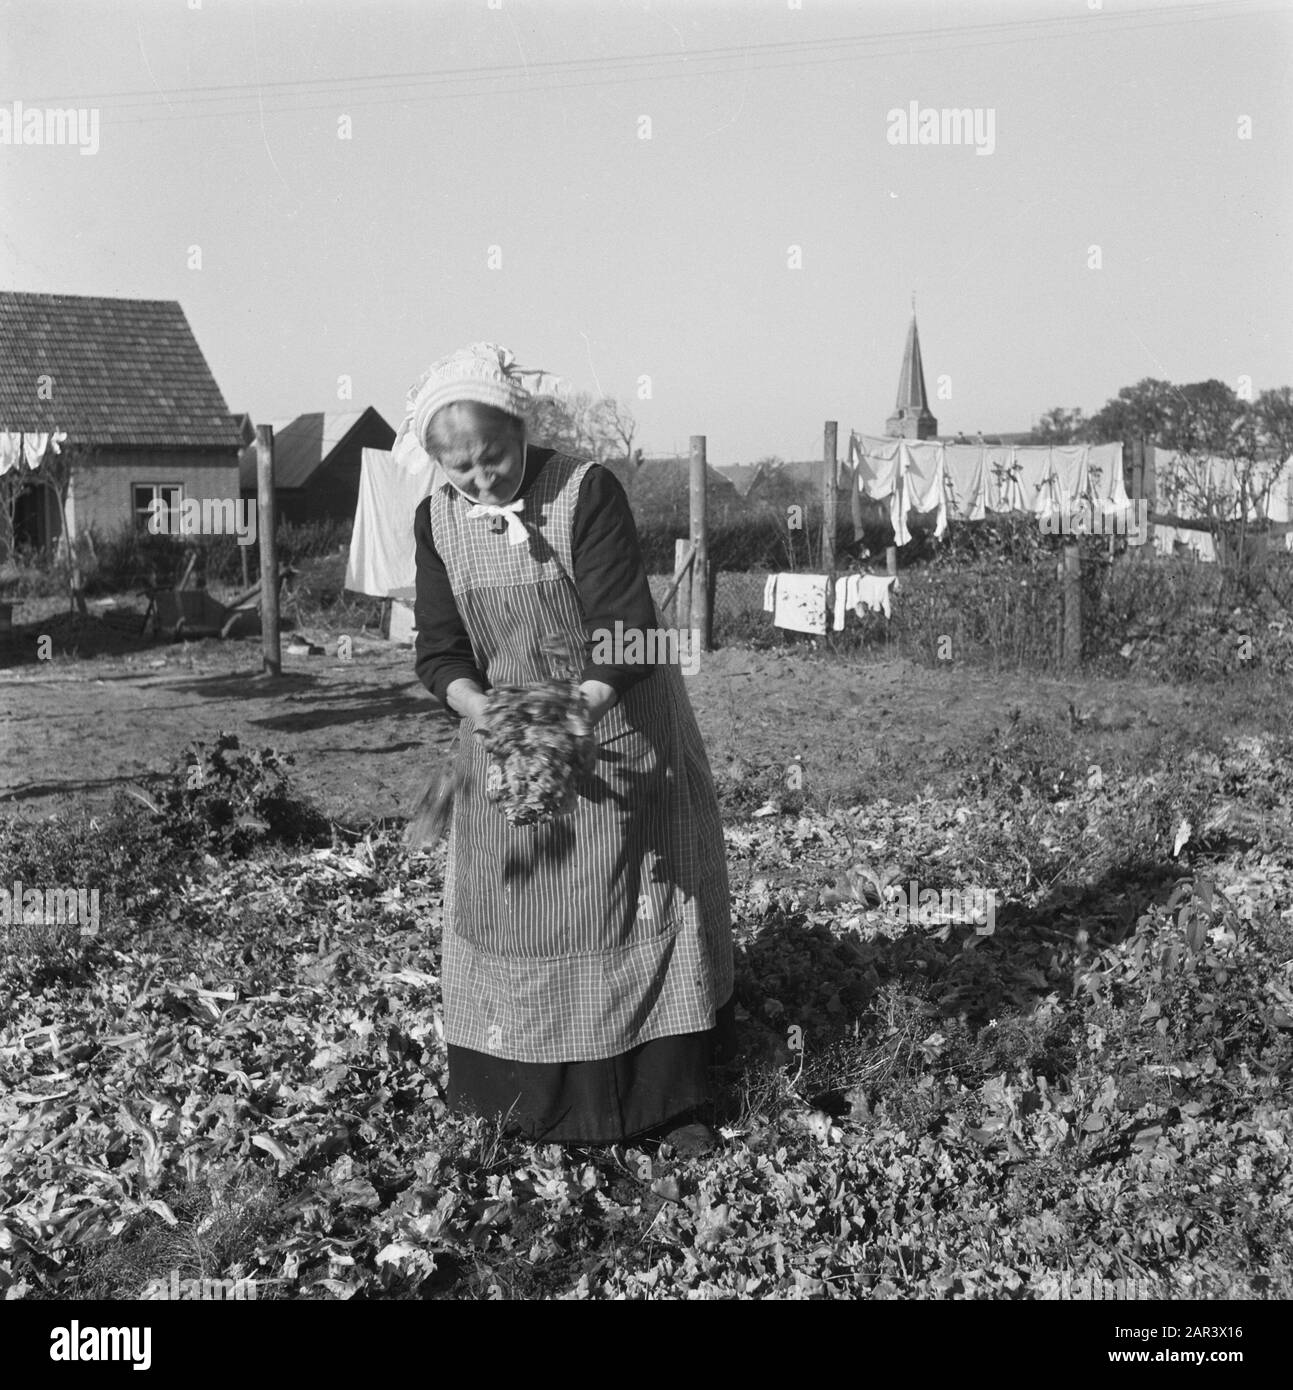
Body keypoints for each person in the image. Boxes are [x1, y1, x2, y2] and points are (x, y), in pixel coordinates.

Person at [404, 342, 735, 1148]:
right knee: (521, 908)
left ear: (522, 429)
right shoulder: (436, 519)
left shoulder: (585, 491)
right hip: (510, 735)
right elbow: (439, 651)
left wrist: (574, 714)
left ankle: (663, 1103)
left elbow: (624, 627)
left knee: (629, 903)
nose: (480, 481)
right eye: (459, 468)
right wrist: (486, 715)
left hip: (617, 718)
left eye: (493, 458)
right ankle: (523, 1101)